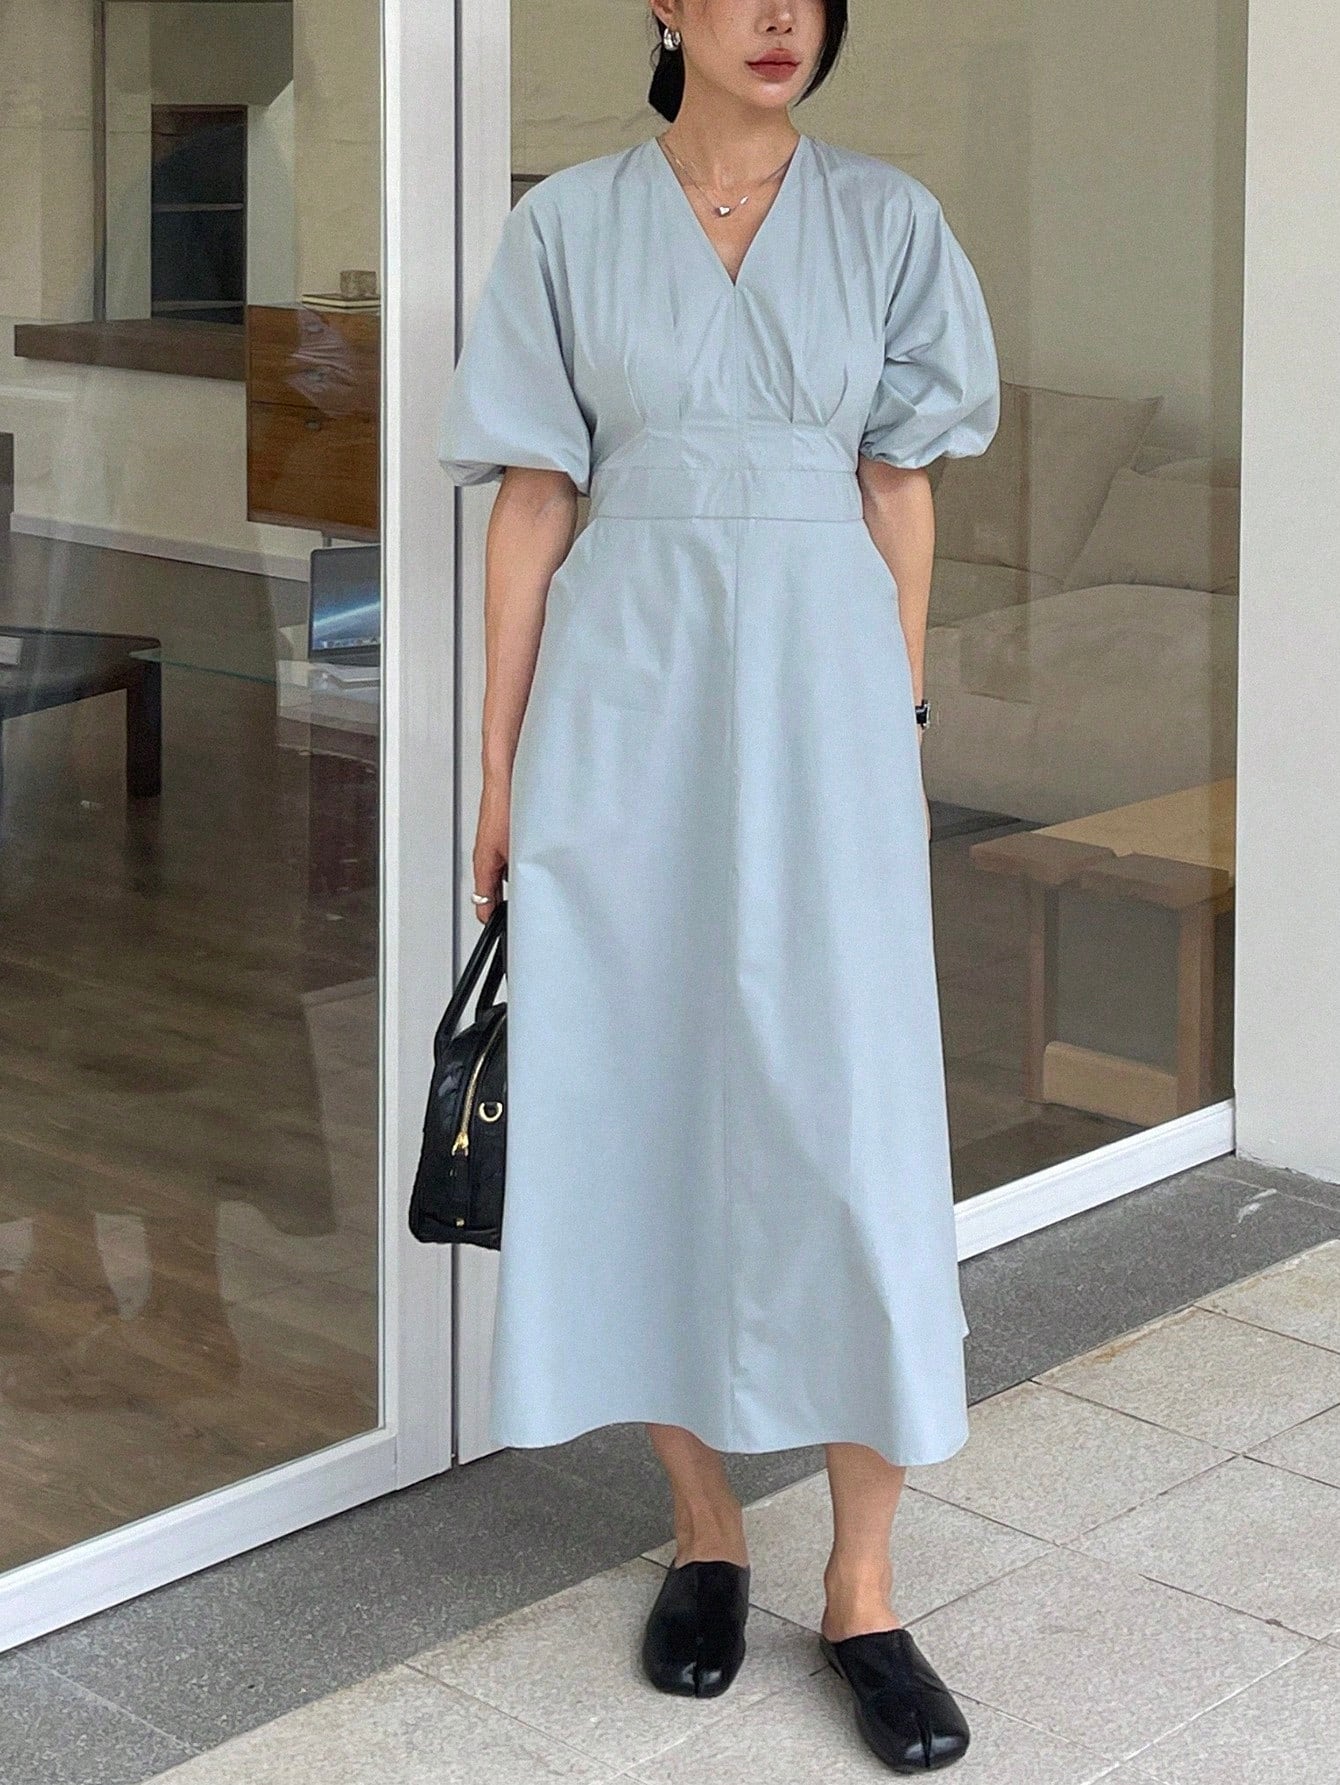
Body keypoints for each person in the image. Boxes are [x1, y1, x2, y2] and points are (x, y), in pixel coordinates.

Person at [437, 2, 1000, 1771]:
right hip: (626, 711)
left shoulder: (889, 220)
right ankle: (704, 1528)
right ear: (666, 7)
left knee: (853, 1121)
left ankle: (866, 1585)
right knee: (643, 1099)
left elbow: (898, 490)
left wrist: (891, 717)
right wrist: (501, 765)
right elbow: (535, 505)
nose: (778, 20)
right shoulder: (568, 226)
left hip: (827, 710)